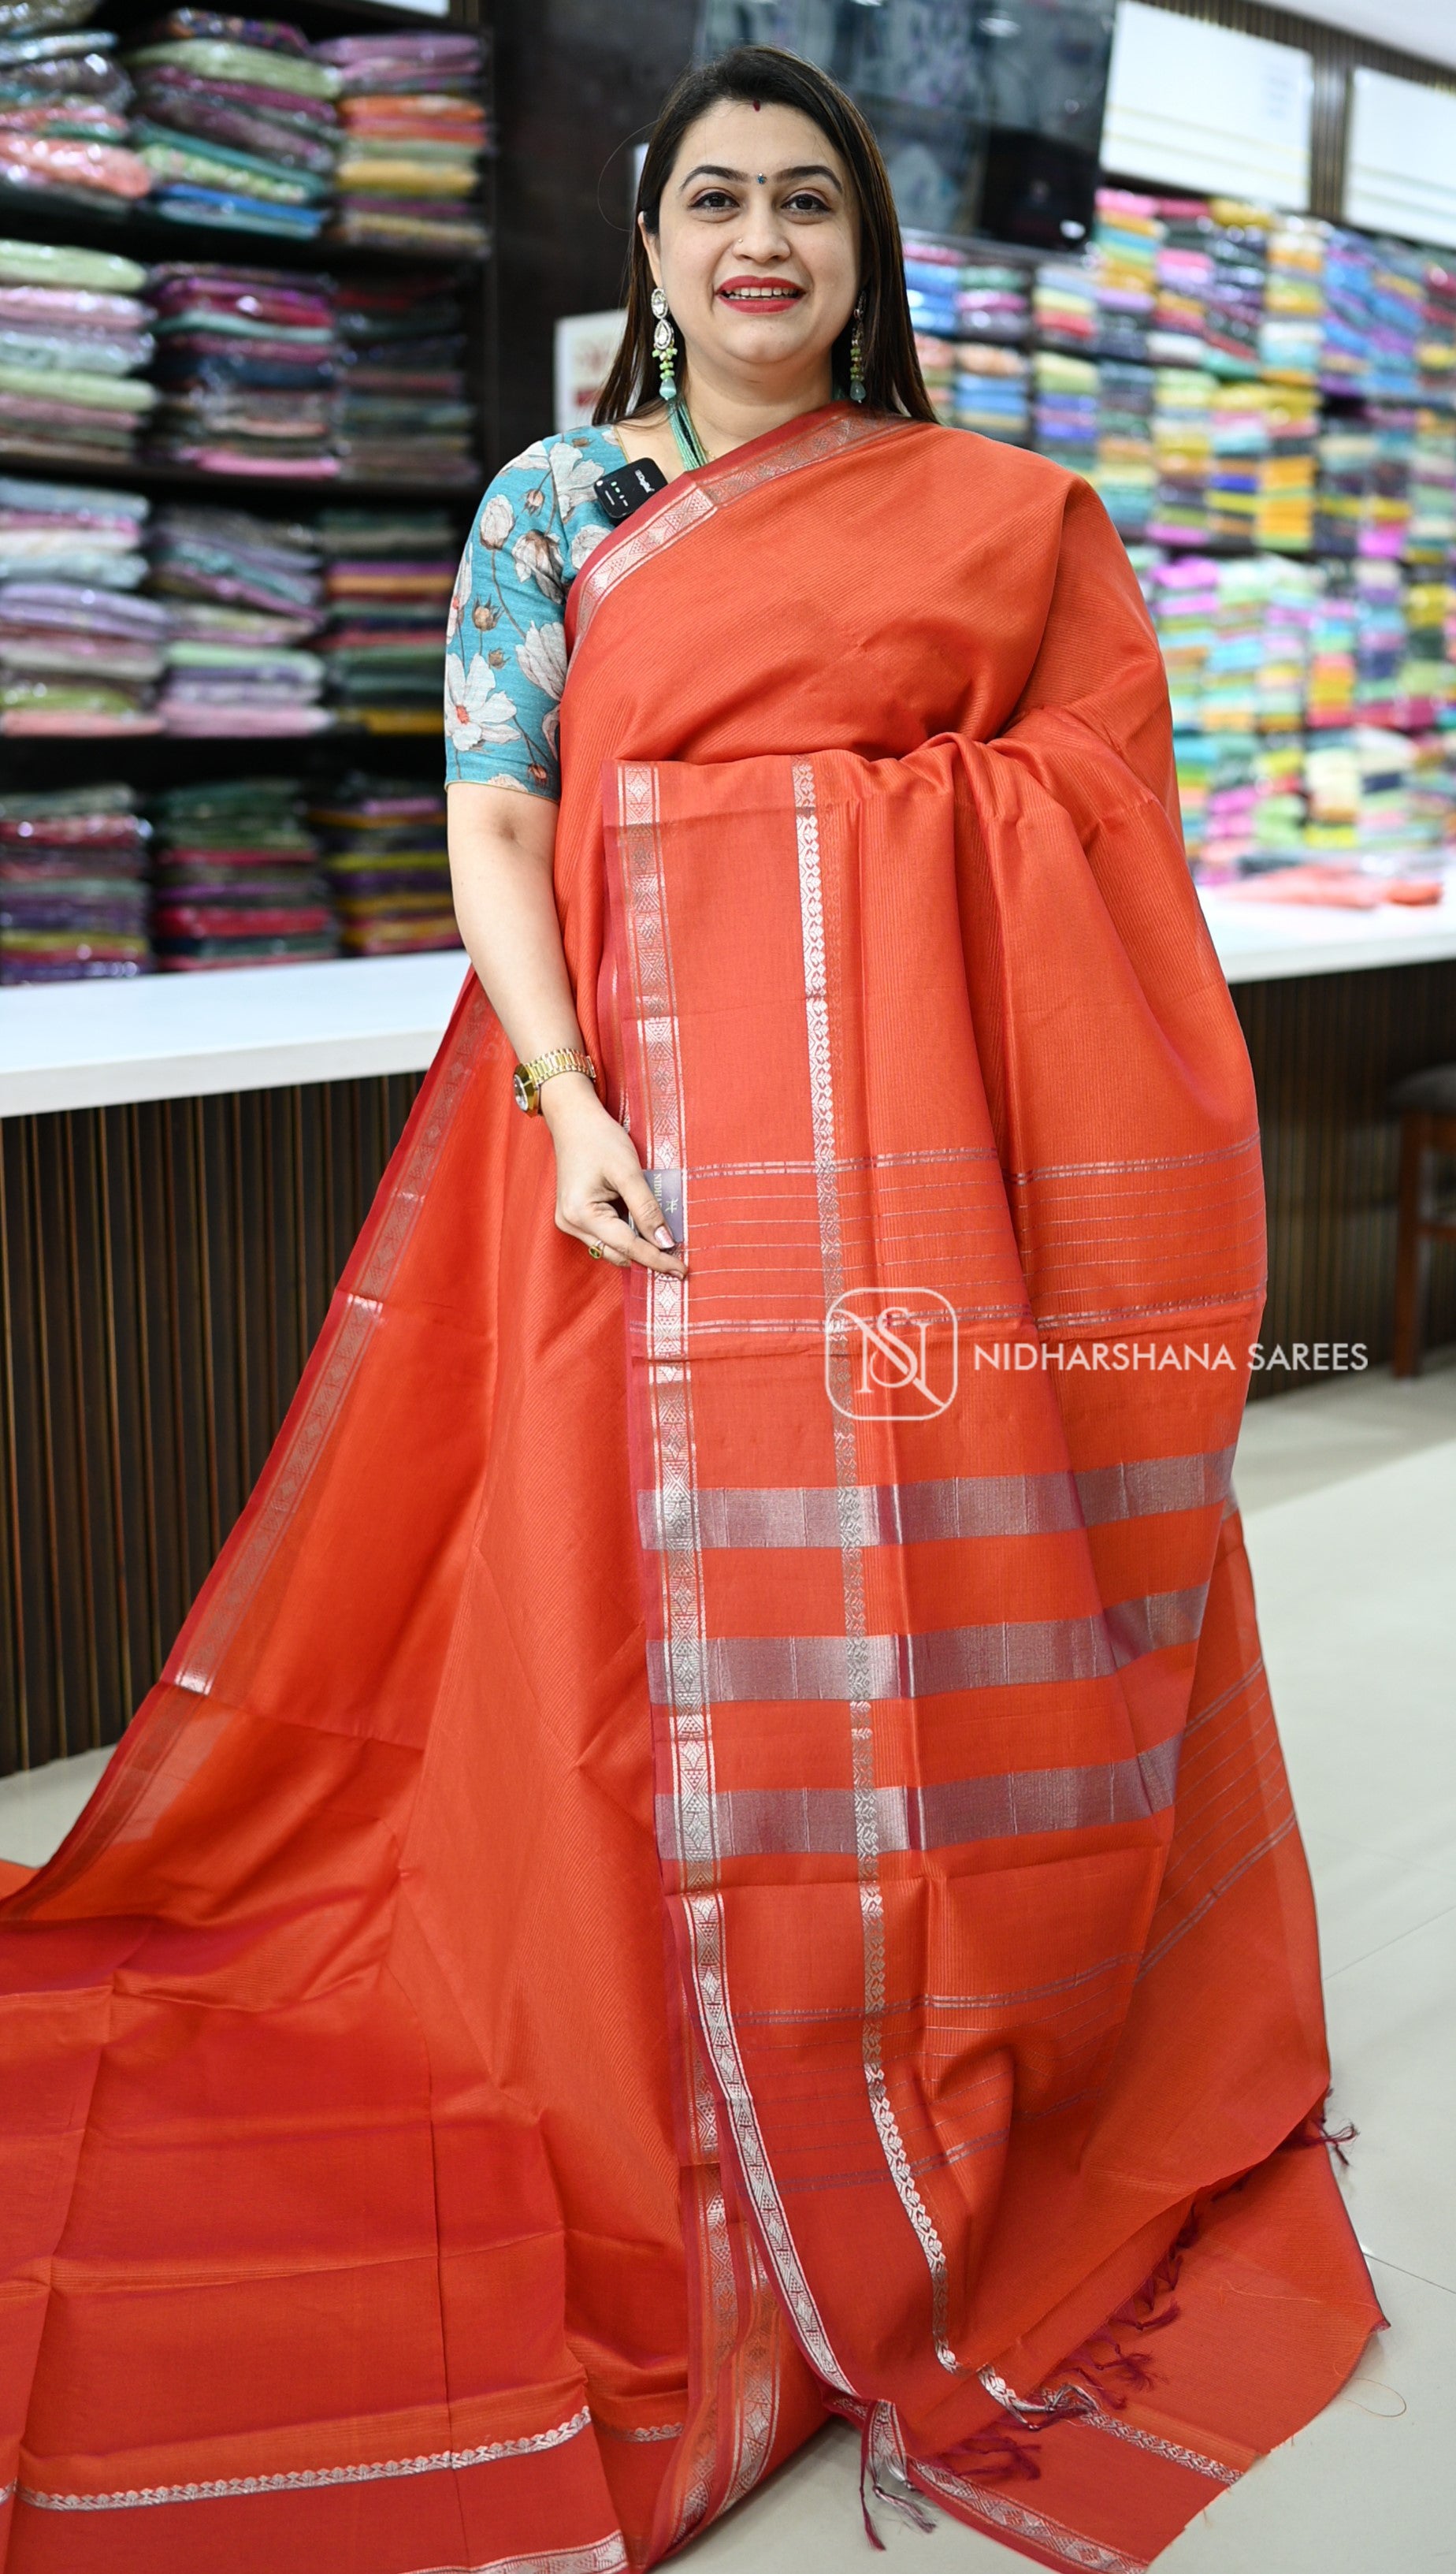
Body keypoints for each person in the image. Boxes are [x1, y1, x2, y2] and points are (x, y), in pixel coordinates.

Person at [0, 44, 1380, 2574]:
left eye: (807, 205)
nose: (762, 242)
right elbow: (499, 813)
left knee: (918, 1572)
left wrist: (856, 839)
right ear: (647, 248)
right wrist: (562, 1094)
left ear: (867, 253)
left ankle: (928, 2023)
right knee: (637, 1626)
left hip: (926, 1188)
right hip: (642, 1154)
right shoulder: (559, 506)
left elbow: (1102, 811)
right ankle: (679, 2049)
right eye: (716, 200)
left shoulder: (993, 518)